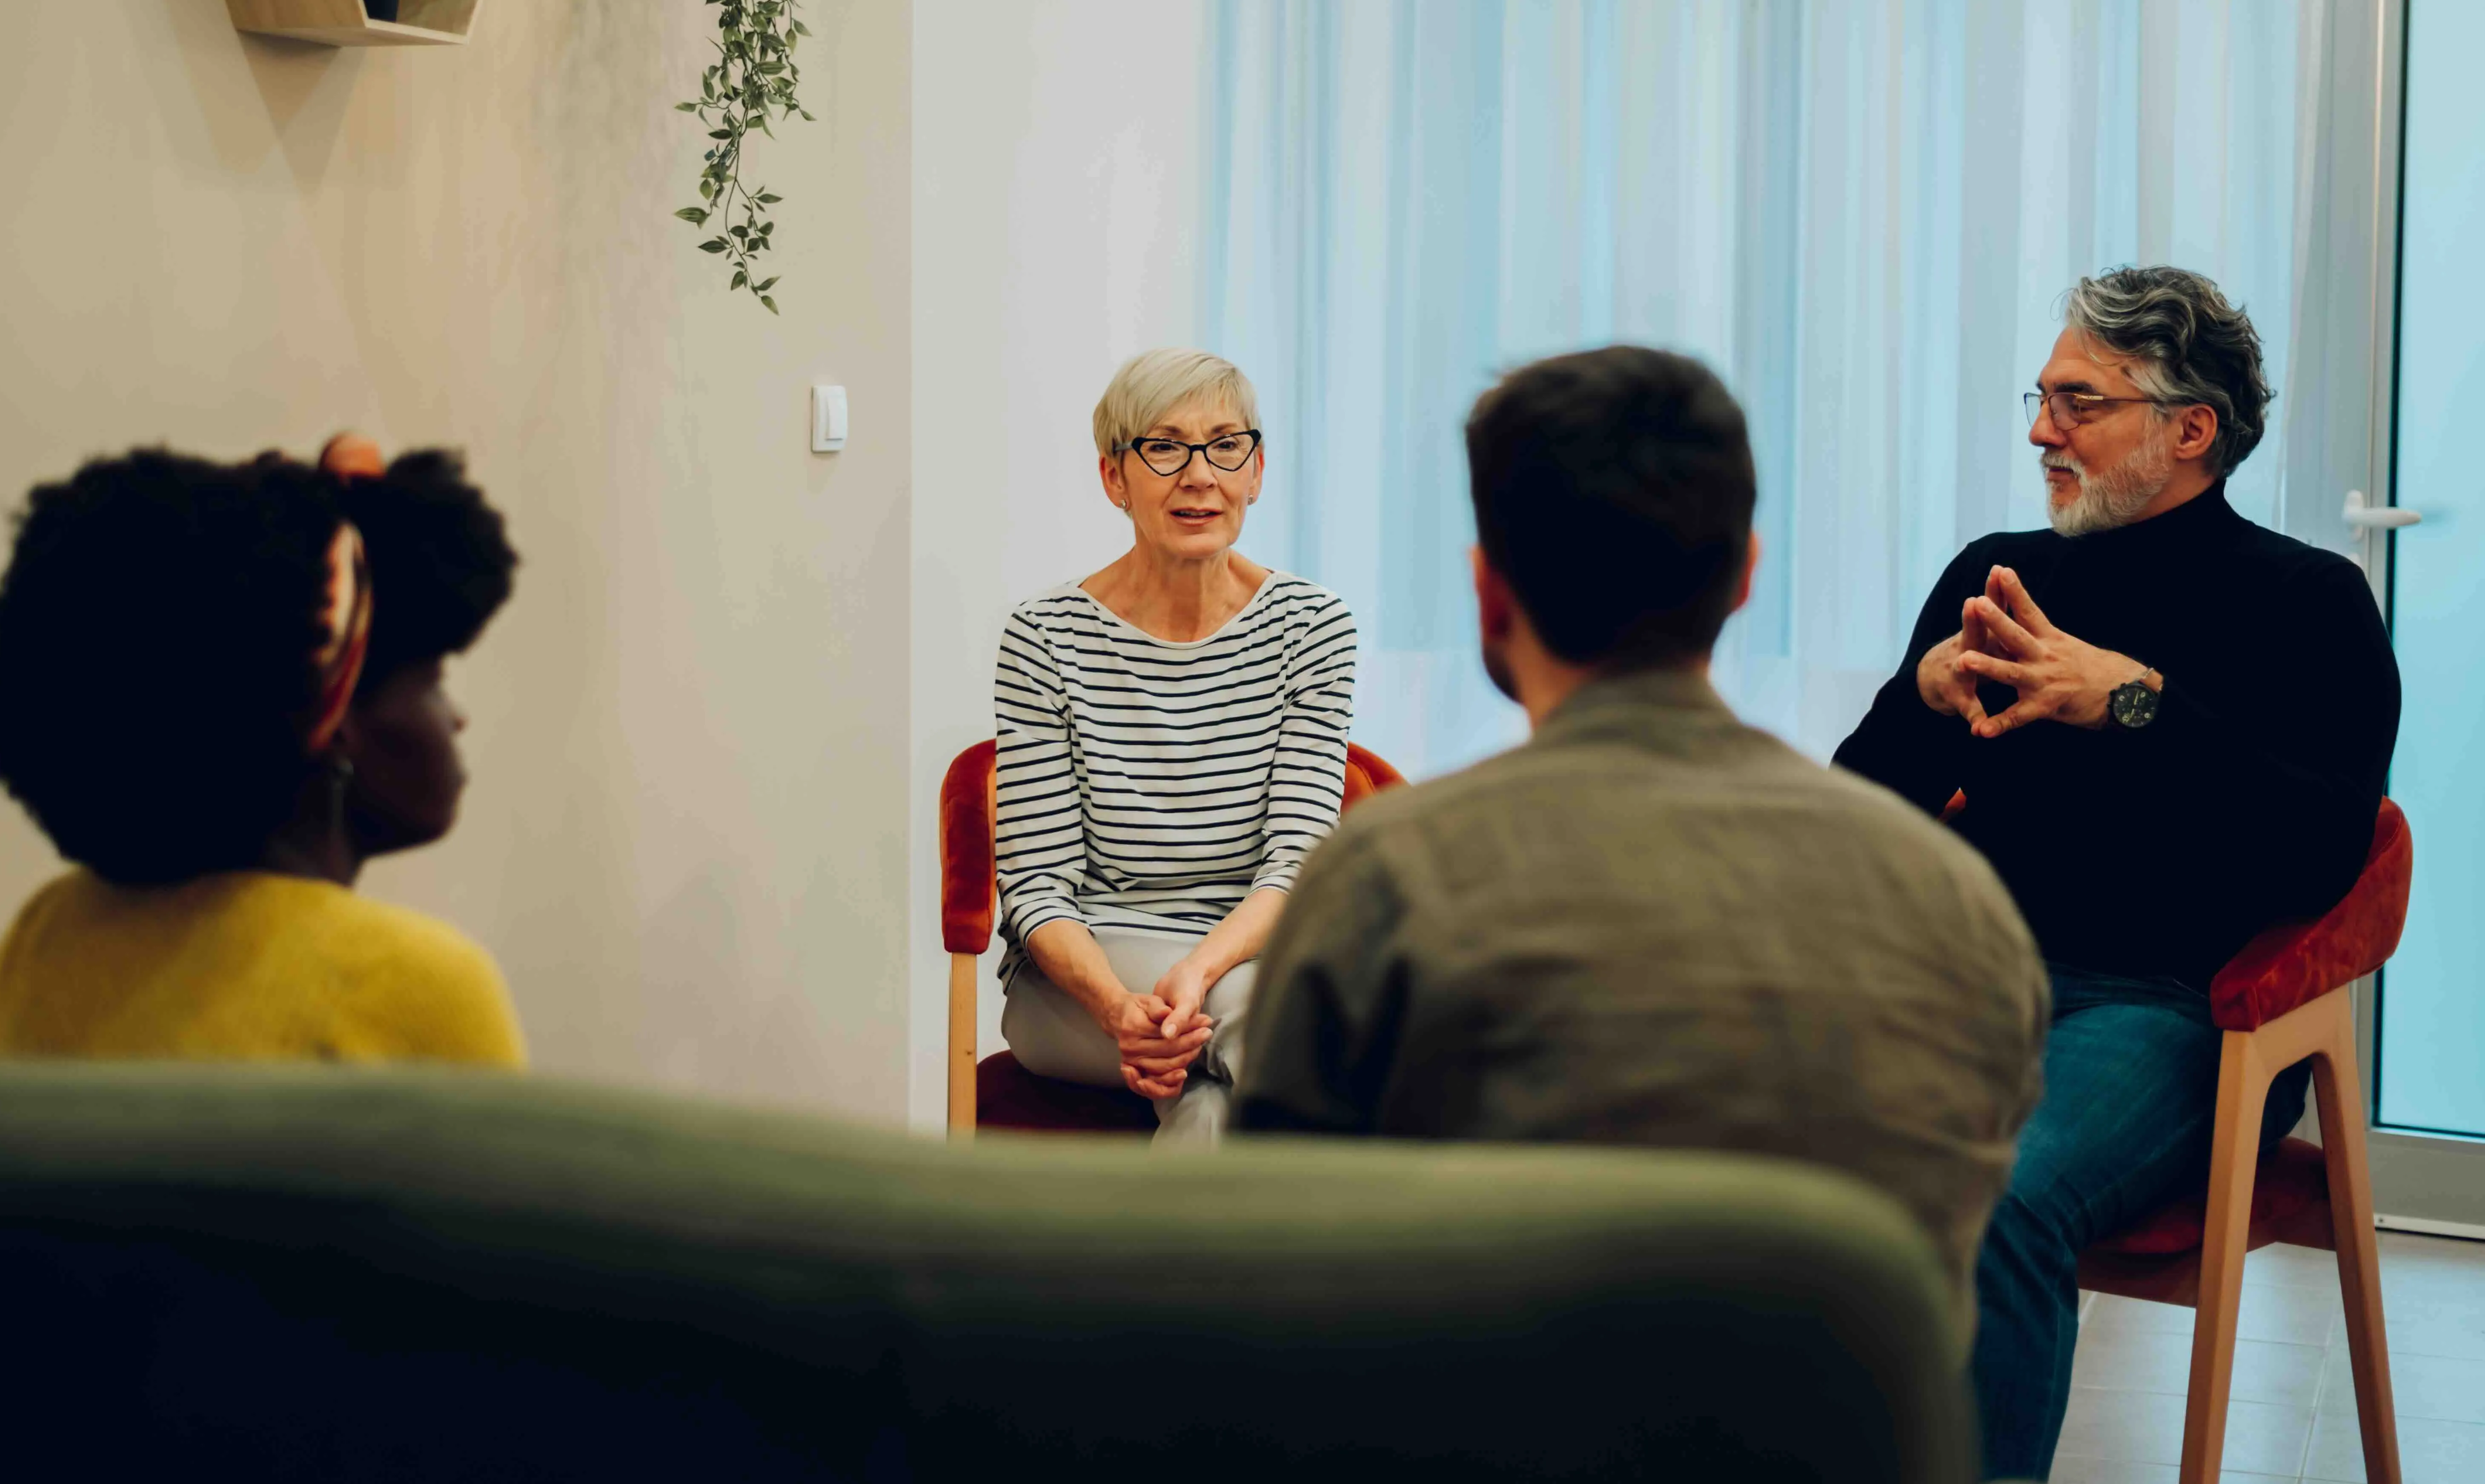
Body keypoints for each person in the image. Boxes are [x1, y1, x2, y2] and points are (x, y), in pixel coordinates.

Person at [1232, 344, 2048, 1307]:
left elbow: (1278, 1262)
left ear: (1488, 592)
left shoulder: (1384, 878)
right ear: (1744, 574)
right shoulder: (1951, 898)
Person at [1834, 266, 2401, 1481]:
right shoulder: (1996, 571)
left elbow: (2319, 851)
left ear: (2189, 428)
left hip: (2162, 1005)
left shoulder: (2307, 601)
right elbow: (1858, 818)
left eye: (2077, 401)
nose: (2040, 429)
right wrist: (1919, 701)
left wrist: (2130, 704)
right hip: (1962, 982)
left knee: (1997, 1204)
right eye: (2038, 397)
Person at [0, 436, 528, 1067]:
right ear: (334, 720)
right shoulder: (421, 989)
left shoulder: (42, 942)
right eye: (433, 681)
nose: (455, 718)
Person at [993, 348, 1358, 1144]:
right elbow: (1035, 886)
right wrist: (1122, 1009)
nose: (1200, 474)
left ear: (1256, 471)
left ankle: (1153, 1269)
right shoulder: (1045, 637)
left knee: (1211, 1098)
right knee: (1283, 1038)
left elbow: (1298, 861)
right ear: (1113, 478)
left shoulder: (1312, 627)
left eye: (1226, 445)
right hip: (1076, 985)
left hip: (1242, 965)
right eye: (1164, 446)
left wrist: (1196, 973)